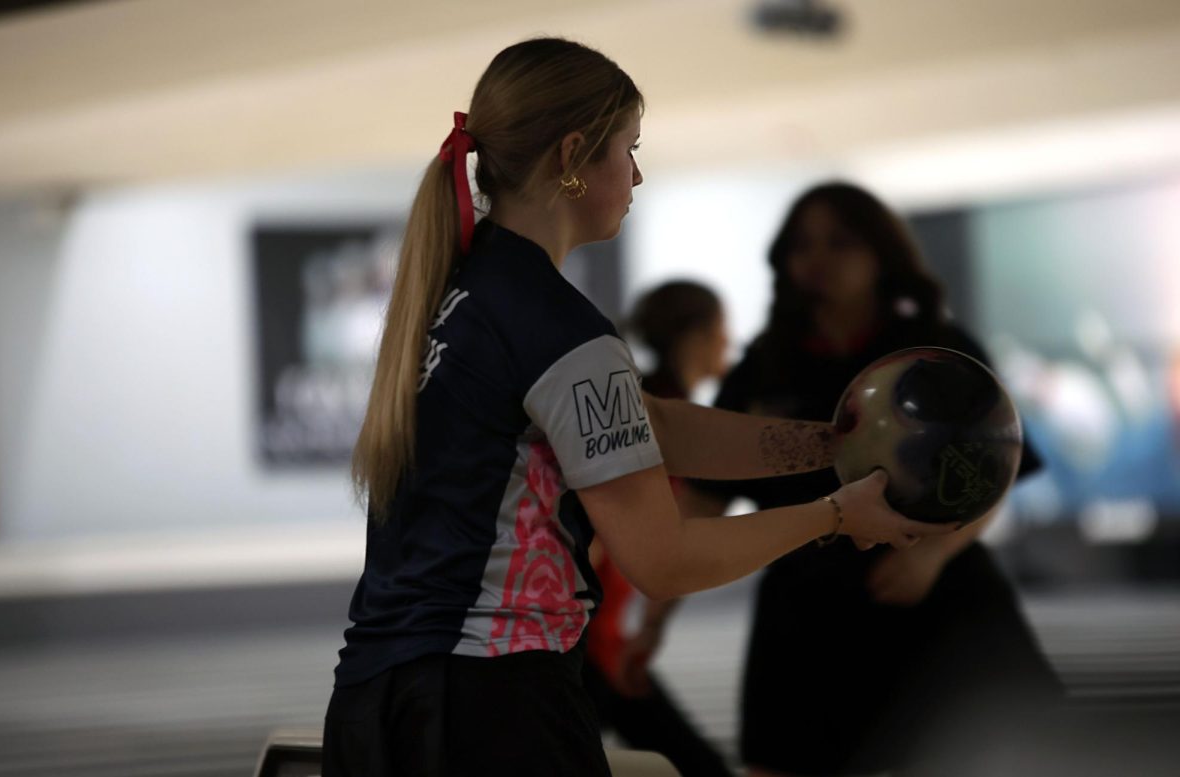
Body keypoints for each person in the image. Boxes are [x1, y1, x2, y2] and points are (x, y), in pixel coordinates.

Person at [321, 42, 954, 777]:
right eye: (629, 148)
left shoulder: (462, 301)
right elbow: (664, 560)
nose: (637, 174)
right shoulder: (559, 329)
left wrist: (835, 442)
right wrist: (838, 514)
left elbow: (654, 426)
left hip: (375, 706)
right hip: (492, 708)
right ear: (573, 156)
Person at [686, 181, 1064, 777]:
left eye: (840, 242)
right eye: (803, 245)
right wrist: (645, 616)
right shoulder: (766, 362)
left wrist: (932, 556)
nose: (818, 259)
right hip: (808, 614)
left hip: (932, 596)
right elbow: (701, 497)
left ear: (879, 253)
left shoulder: (936, 351)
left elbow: (995, 476)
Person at [582, 280, 734, 777]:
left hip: (597, 640)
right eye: (720, 328)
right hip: (589, 644)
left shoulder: (655, 405)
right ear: (694, 337)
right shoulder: (660, 418)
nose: (728, 343)